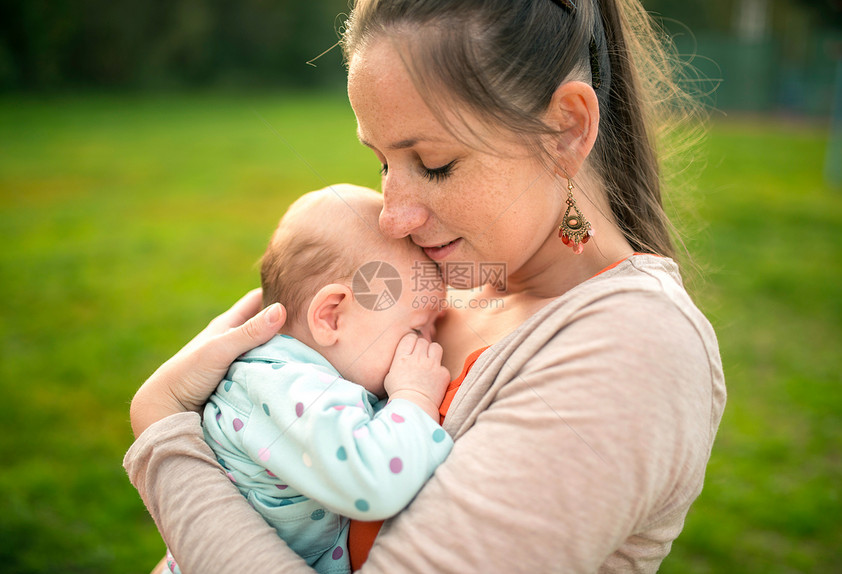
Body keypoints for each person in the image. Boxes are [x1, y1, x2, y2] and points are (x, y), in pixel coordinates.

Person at [125, 0, 727, 572]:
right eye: (383, 162)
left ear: (567, 128)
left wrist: (162, 433)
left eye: (434, 164)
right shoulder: (450, 274)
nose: (393, 216)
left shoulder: (633, 351)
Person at [163, 185, 453, 574]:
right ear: (331, 316)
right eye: (417, 329)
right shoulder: (287, 386)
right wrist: (414, 395)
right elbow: (375, 483)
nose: (430, 345)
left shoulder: (302, 375)